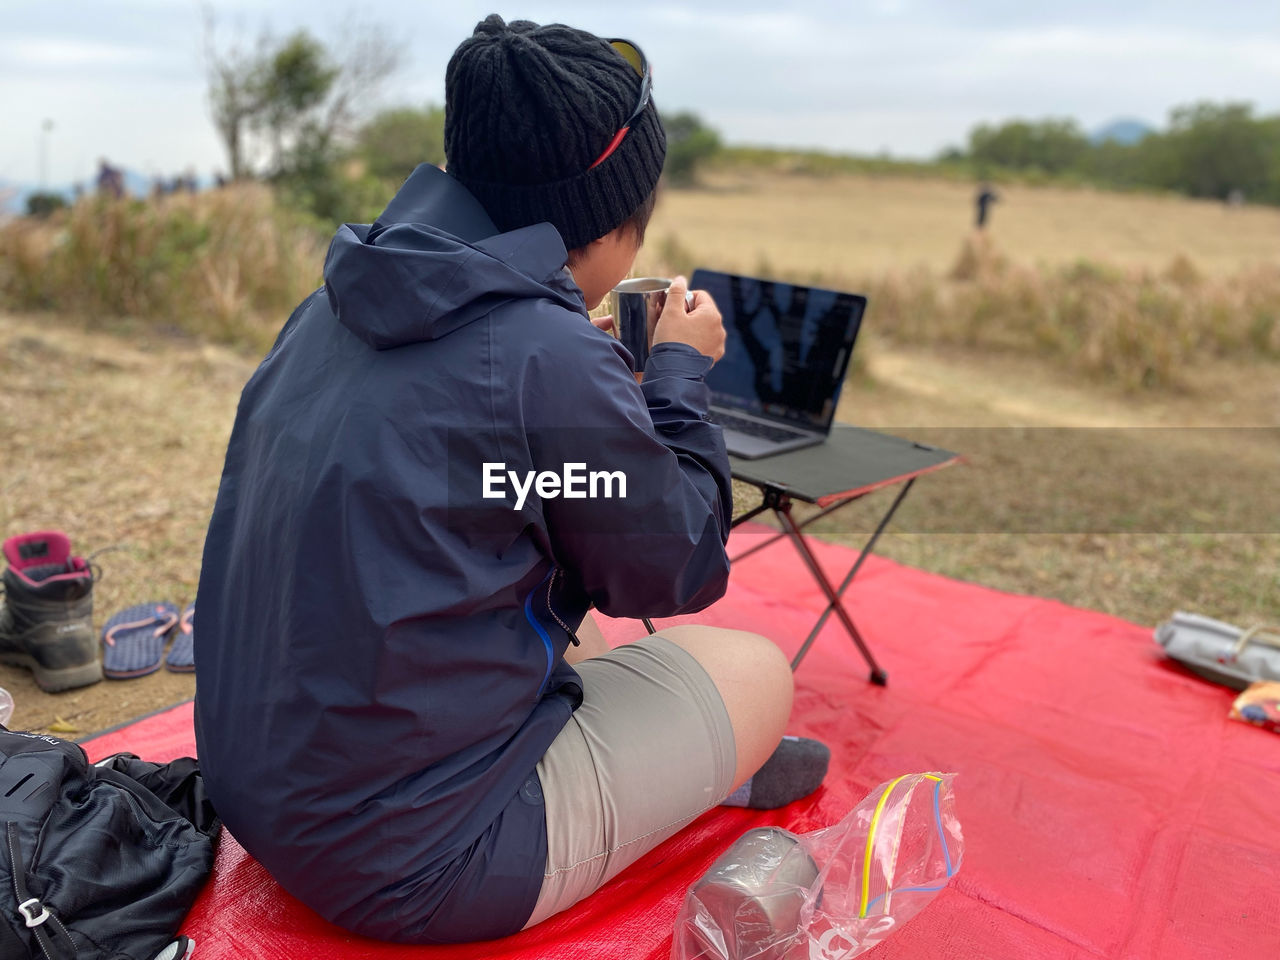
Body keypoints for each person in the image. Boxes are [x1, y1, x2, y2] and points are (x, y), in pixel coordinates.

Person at [193, 14, 827, 946]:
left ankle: (668, 759)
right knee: (758, 671)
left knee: (593, 623)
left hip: (255, 792)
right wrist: (681, 379)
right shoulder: (542, 355)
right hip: (413, 863)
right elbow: (680, 568)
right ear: (611, 223)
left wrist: (581, 384)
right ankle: (693, 769)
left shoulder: (330, 305)